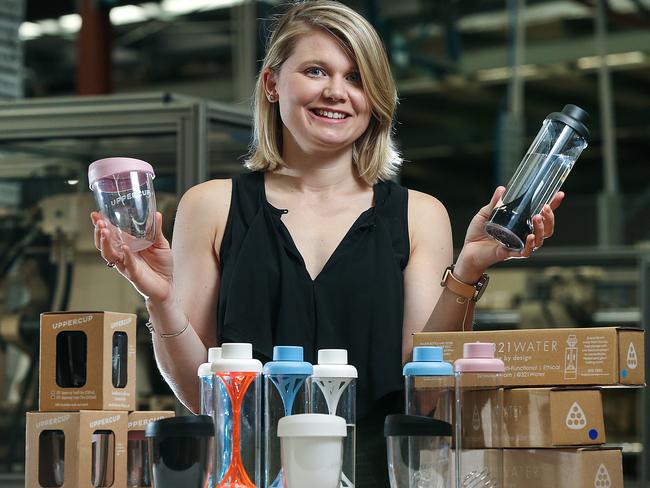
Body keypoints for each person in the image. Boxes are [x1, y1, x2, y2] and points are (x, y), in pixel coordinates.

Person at [91, 1, 562, 485]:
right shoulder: (212, 207)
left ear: (375, 97)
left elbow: (424, 396)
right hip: (249, 477)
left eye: (356, 77)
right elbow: (200, 394)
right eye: (316, 70)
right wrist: (161, 298)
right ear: (272, 84)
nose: (337, 92)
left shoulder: (420, 216)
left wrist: (465, 273)